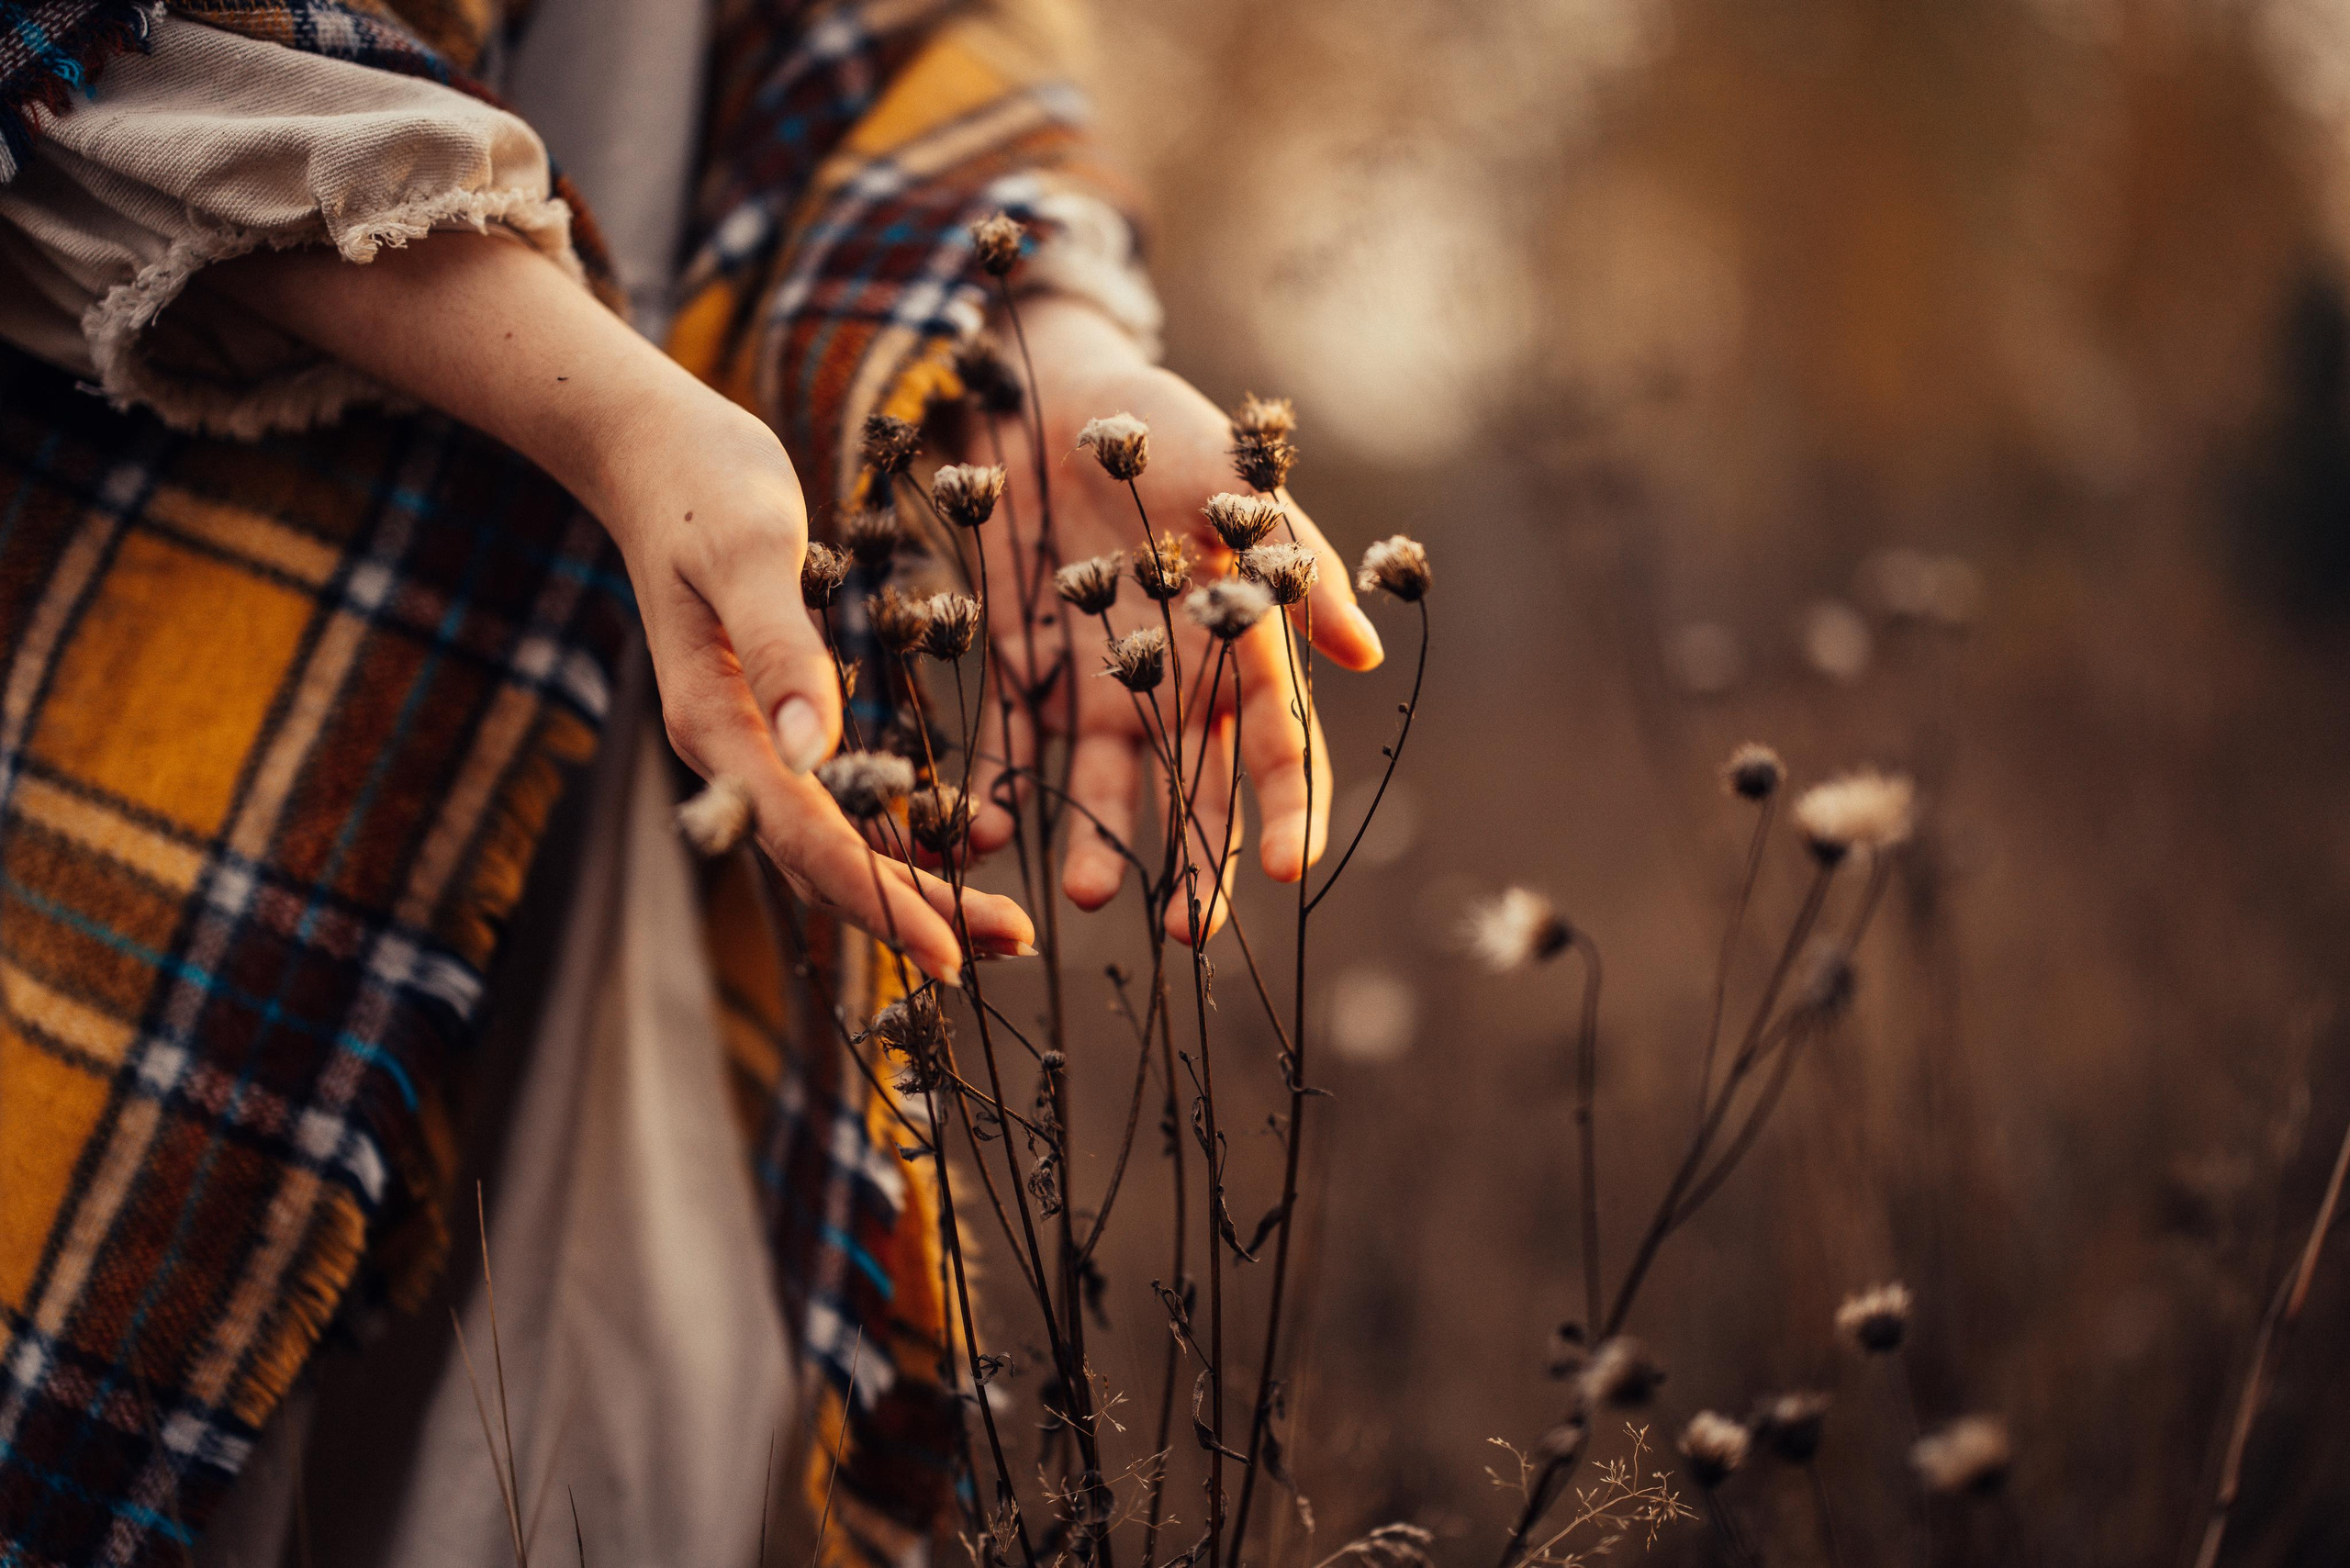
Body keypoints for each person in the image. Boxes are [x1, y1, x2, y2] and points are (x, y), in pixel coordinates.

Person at [0, 0, 1381, 1562]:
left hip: (639, 812)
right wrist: (621, 420)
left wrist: (1035, 361)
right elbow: (81, 59)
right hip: (188, 674)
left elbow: (893, 51)